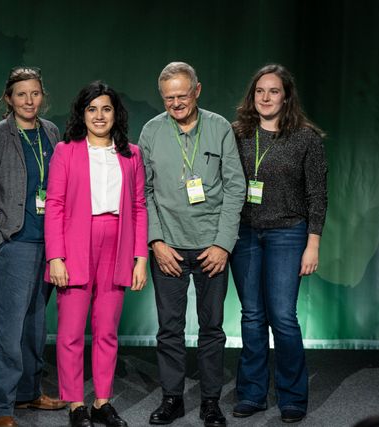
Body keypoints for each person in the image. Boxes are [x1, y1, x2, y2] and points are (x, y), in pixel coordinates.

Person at [139, 62, 246, 427]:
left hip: (211, 248)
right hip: (167, 247)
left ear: (197, 91)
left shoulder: (219, 129)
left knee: (212, 327)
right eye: (169, 98)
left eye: (182, 96)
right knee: (169, 328)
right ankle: (172, 398)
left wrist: (223, 244)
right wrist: (155, 240)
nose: (176, 103)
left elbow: (235, 188)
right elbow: (145, 192)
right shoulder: (151, 132)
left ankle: (211, 402)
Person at [45, 81, 148, 427]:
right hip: (75, 244)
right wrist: (55, 256)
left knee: (106, 330)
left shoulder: (131, 153)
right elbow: (55, 205)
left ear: (116, 113)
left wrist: (140, 258)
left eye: (106, 108)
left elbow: (139, 206)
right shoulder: (66, 150)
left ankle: (102, 402)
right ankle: (76, 404)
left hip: (117, 244)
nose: (99, 116)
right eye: (92, 109)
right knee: (71, 331)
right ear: (82, 114)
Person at [229, 64, 327, 423]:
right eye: (260, 91)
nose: (266, 97)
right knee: (252, 316)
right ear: (252, 96)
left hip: (288, 234)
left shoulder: (306, 138)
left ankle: (292, 396)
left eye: (273, 91)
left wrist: (312, 242)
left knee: (283, 317)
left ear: (286, 96)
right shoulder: (238, 134)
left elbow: (318, 195)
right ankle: (252, 394)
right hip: (245, 234)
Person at [0, 67, 66, 427]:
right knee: (7, 331)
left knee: (34, 326)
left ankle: (29, 393)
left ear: (43, 96)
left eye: (35, 93)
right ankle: (0, 407)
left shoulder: (51, 132)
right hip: (13, 244)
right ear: (9, 99)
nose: (29, 101)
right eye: (22, 94)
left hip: (47, 243)